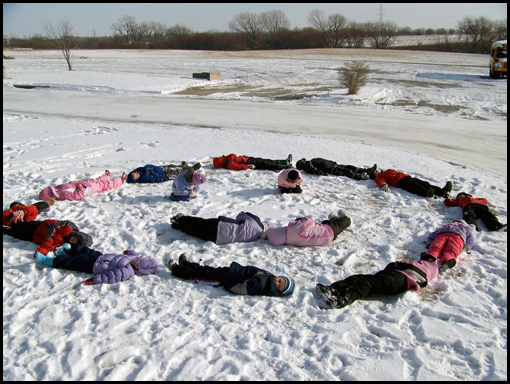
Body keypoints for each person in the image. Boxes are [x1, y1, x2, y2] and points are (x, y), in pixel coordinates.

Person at [315, 253, 440, 309]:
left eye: (426, 258)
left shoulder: (427, 269)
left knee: (368, 284)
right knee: (360, 278)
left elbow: (395, 264)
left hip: (401, 280)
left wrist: (393, 267)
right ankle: (334, 288)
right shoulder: (424, 266)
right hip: (396, 276)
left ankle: (343, 299)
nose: (422, 259)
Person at [167, 254, 295, 297]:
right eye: (280, 280)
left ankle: (178, 271)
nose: (277, 282)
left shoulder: (261, 286)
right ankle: (187, 264)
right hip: (232, 271)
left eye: (279, 285)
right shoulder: (270, 277)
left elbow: (242, 289)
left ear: (277, 291)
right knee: (207, 269)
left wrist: (228, 285)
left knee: (202, 276)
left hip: (226, 279)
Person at [34, 243, 159, 285]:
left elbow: (111, 277)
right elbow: (133, 253)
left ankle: (48, 261)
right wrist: (128, 252)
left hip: (94, 266)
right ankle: (65, 250)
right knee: (84, 250)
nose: (136, 261)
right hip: (100, 256)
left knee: (73, 262)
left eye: (138, 263)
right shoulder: (133, 257)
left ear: (140, 270)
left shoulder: (127, 271)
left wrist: (94, 280)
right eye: (139, 259)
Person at [3, 219, 93, 257]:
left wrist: (40, 252)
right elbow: (53, 227)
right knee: (18, 226)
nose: (71, 241)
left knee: (16, 234)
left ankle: (7, 231)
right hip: (39, 227)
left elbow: (50, 247)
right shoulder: (68, 227)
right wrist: (49, 238)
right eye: (74, 239)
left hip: (35, 237)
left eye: (73, 243)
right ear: (76, 234)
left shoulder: (63, 244)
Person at [170, 211, 270, 244]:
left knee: (199, 223)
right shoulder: (254, 238)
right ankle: (180, 227)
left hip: (223, 225)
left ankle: (181, 219)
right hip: (219, 239)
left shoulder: (256, 221)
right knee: (197, 232)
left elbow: (241, 215)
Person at [266, 210, 351, 247]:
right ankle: (346, 218)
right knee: (340, 225)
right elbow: (310, 221)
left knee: (322, 225)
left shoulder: (290, 241)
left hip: (325, 238)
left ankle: (334, 219)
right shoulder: (293, 229)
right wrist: (301, 220)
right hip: (327, 232)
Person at [38, 170, 127, 202]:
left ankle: (105, 177)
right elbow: (77, 196)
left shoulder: (58, 188)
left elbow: (68, 185)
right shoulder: (62, 194)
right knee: (103, 185)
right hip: (87, 189)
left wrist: (75, 183)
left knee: (95, 180)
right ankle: (120, 181)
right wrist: (80, 187)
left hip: (83, 184)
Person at [369, 168, 452, 198]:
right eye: (375, 173)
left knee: (424, 183)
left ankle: (441, 191)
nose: (377, 172)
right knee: (414, 186)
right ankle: (426, 193)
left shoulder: (384, 171)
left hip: (406, 177)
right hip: (400, 181)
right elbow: (381, 181)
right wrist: (384, 185)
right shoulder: (379, 177)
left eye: (376, 171)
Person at [296, 158, 377, 181]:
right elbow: (315, 170)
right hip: (330, 169)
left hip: (332, 165)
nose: (304, 160)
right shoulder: (308, 166)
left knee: (349, 167)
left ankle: (366, 170)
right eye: (302, 161)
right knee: (346, 171)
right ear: (302, 164)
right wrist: (322, 173)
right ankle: (360, 176)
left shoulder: (311, 161)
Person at [126, 162, 201, 184]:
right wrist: (166, 178)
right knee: (177, 172)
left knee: (173, 167)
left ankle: (184, 166)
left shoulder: (140, 170)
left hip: (160, 168)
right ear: (136, 179)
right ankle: (192, 169)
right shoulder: (145, 177)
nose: (136, 173)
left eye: (134, 172)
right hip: (164, 174)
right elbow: (157, 179)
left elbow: (149, 166)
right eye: (135, 175)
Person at [213, 153, 293, 171]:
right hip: (247, 162)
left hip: (247, 159)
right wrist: (248, 166)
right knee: (264, 164)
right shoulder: (227, 162)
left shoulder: (227, 158)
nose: (220, 157)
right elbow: (236, 166)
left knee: (265, 160)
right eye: (218, 158)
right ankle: (283, 166)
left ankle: (284, 162)